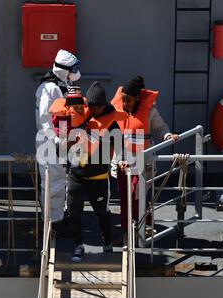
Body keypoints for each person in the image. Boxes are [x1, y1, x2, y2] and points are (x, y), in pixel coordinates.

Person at [66, 82, 128, 263]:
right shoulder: (80, 118)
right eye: (90, 107)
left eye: (97, 107)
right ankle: (78, 246)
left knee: (102, 213)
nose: (93, 110)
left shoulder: (111, 124)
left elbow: (120, 147)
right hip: (76, 175)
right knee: (74, 212)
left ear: (104, 105)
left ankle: (107, 246)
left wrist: (122, 159)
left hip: (98, 177)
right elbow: (64, 137)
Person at [111, 76, 179, 238]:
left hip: (143, 161)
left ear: (136, 98)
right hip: (122, 162)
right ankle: (127, 230)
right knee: (124, 198)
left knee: (138, 195)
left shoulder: (150, 112)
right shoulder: (116, 111)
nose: (125, 103)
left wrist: (168, 136)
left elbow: (161, 128)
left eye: (128, 100)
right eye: (123, 100)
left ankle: (144, 226)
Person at [35, 50, 81, 230]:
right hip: (49, 142)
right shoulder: (50, 89)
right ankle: (53, 221)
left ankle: (58, 216)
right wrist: (55, 141)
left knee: (60, 180)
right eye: (72, 69)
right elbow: (44, 119)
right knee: (52, 182)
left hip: (60, 141)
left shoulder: (60, 86)